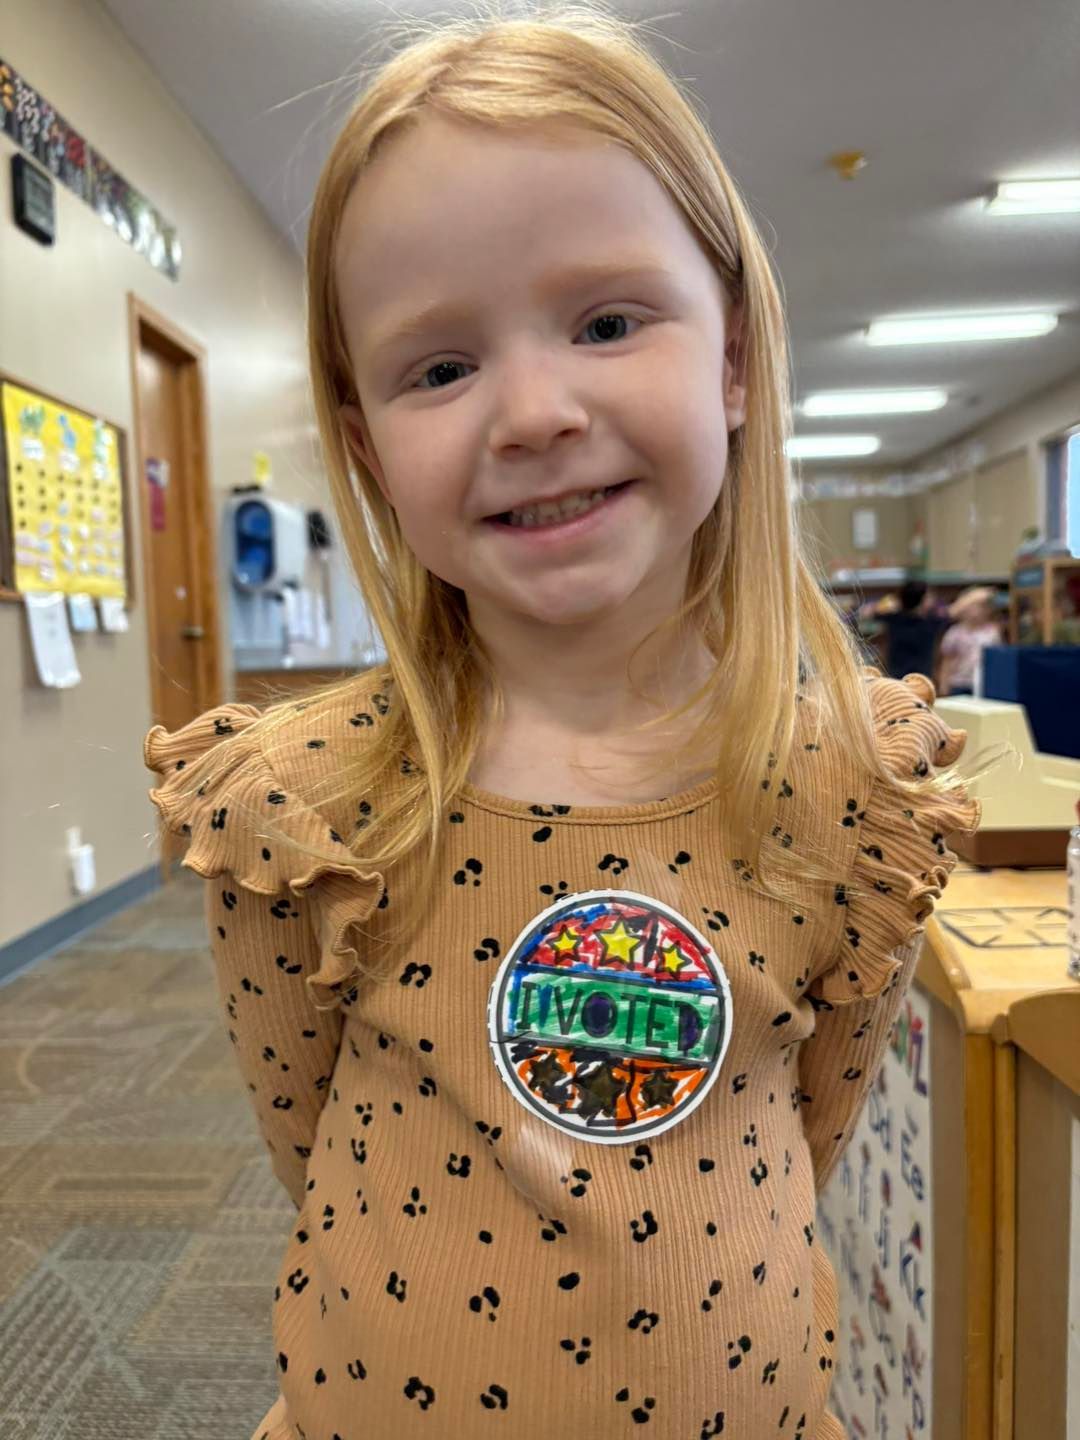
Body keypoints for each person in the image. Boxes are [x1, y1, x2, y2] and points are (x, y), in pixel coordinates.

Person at [143, 9, 990, 1439]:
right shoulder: (303, 800)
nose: (533, 412)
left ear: (733, 360)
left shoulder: (852, 788)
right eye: (438, 368)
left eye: (606, 323)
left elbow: (804, 1137)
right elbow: (311, 1143)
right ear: (369, 450)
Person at [872, 579, 950, 683]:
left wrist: (896, 602)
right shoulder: (931, 622)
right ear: (922, 600)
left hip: (896, 678)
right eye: (929, 596)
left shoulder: (894, 618)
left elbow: (869, 611)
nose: (933, 599)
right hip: (921, 680)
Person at [937, 586, 1002, 697]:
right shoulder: (954, 632)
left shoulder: (992, 632)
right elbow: (947, 661)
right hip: (958, 683)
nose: (976, 611)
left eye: (981, 607)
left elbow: (997, 659)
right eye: (973, 607)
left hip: (982, 683)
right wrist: (943, 686)